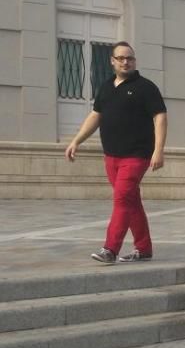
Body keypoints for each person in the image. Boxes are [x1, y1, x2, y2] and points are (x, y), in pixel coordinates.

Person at [65, 41, 167, 264]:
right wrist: (76, 141)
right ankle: (144, 248)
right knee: (131, 201)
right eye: (121, 58)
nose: (125, 62)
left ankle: (110, 249)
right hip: (111, 155)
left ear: (134, 61)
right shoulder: (106, 87)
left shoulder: (146, 87)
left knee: (121, 199)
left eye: (129, 58)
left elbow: (160, 117)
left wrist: (158, 150)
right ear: (112, 61)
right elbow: (95, 116)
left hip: (136, 155)